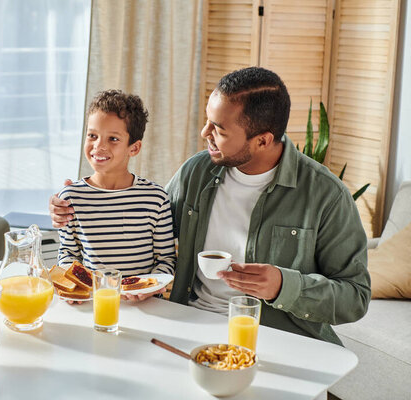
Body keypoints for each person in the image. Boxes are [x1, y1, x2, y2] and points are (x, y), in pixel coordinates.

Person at [50, 67, 371, 345]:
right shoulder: (197, 172)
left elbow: (354, 297)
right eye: (208, 121)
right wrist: (77, 202)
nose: (205, 134)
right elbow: (141, 215)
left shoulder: (325, 195)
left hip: (274, 337)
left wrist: (283, 286)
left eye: (219, 129)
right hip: (187, 325)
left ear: (262, 140)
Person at [57, 90, 176, 299]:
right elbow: (67, 254)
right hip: (94, 302)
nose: (99, 146)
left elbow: (166, 259)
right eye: (92, 135)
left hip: (143, 305)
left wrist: (148, 289)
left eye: (113, 139)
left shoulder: (155, 198)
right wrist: (74, 288)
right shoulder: (71, 197)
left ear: (134, 148)